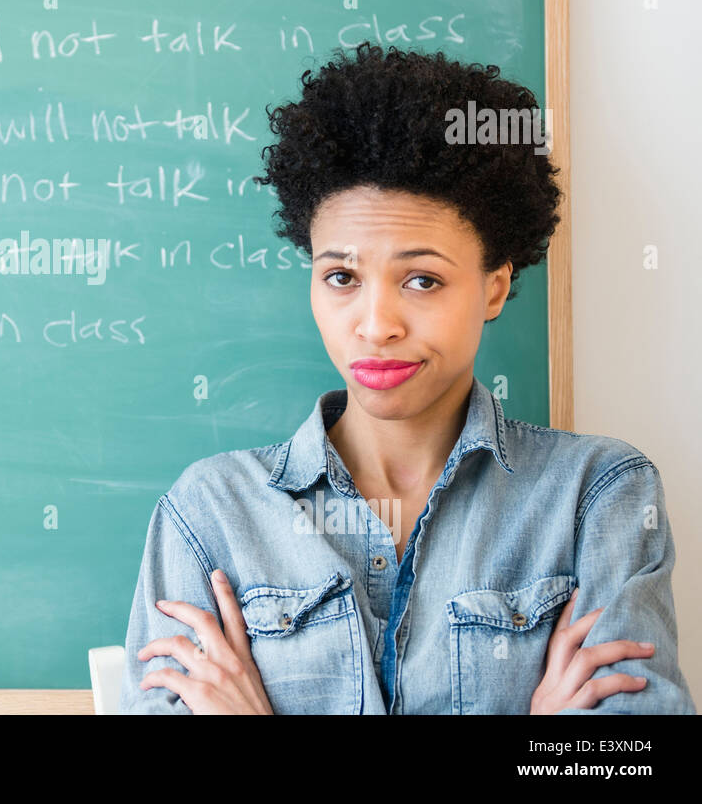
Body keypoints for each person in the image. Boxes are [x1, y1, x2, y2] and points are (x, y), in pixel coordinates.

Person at [118, 42, 695, 714]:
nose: (376, 324)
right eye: (342, 278)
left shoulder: (597, 497)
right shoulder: (210, 514)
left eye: (421, 280)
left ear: (494, 288)